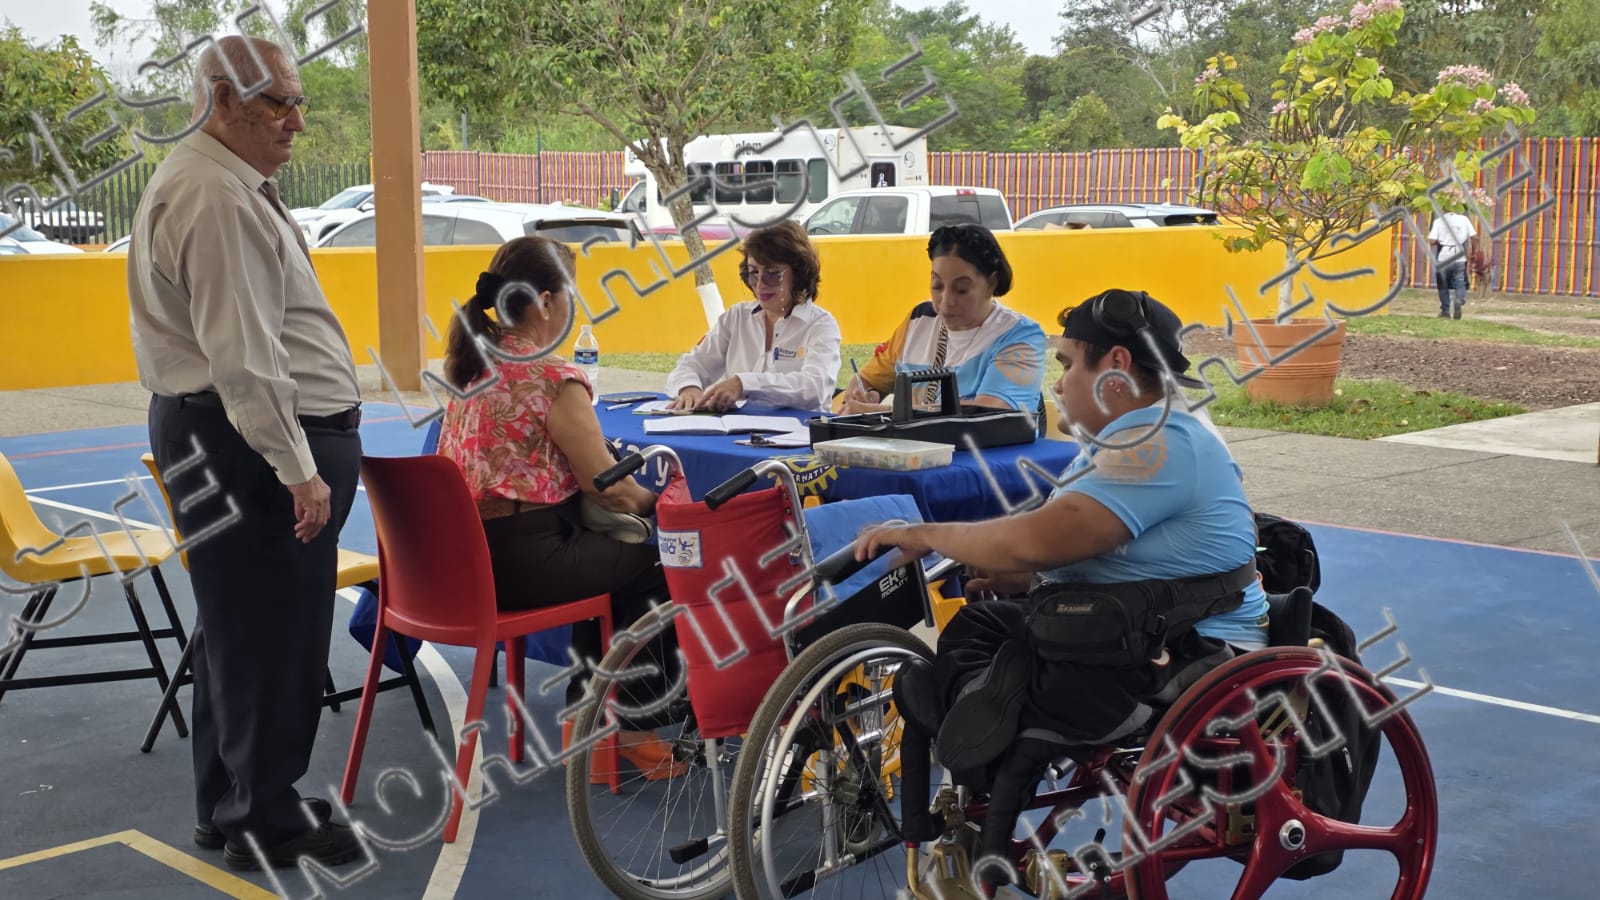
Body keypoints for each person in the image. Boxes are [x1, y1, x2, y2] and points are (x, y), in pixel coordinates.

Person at [852, 288, 1269, 851]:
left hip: (1192, 648)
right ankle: (980, 749)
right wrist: (1026, 577)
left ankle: (987, 772)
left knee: (1014, 664)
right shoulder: (1126, 437)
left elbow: (1037, 540)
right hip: (1141, 623)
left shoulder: (1160, 441)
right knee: (983, 626)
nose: (1058, 383)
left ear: (1115, 367)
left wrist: (923, 534)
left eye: (1069, 365)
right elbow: (1081, 547)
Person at [128, 36, 364, 870]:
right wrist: (299, 469)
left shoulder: (214, 181)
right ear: (223, 100)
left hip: (217, 432)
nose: (296, 121)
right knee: (274, 633)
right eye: (279, 103)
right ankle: (265, 820)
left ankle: (228, 803)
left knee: (237, 629)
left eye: (299, 102)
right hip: (247, 445)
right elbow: (246, 361)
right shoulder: (217, 197)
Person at [436, 235, 687, 779]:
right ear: (547, 302)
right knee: (663, 566)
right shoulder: (552, 379)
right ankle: (628, 724)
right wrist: (661, 503)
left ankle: (589, 716)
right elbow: (610, 489)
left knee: (603, 557)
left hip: (455, 565)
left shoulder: (470, 368)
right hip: (520, 562)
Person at [838, 223, 1046, 415]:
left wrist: (881, 412)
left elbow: (990, 413)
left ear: (992, 283)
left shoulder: (1019, 336)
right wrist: (864, 394)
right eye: (937, 286)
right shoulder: (919, 320)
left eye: (961, 289)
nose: (946, 302)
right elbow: (867, 380)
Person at [664, 220, 842, 412]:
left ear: (798, 275)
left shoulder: (821, 326)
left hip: (800, 429)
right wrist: (689, 388)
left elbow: (814, 388)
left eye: (772, 274)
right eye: (753, 272)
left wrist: (744, 384)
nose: (760, 284)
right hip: (737, 428)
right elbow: (692, 365)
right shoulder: (736, 317)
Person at [1429, 208, 1478, 319]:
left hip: (1444, 256)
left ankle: (1445, 311)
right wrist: (1474, 252)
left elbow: (1432, 241)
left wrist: (1441, 240)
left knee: (1443, 284)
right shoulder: (1464, 219)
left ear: (1444, 209)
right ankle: (1459, 300)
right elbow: (1475, 237)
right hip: (1459, 255)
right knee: (1460, 282)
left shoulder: (1439, 221)